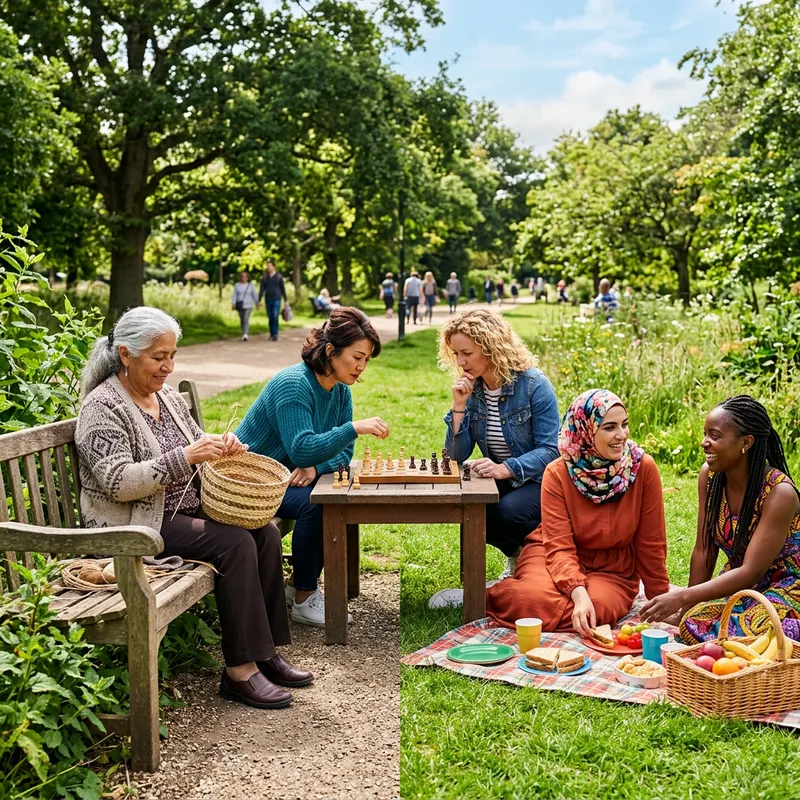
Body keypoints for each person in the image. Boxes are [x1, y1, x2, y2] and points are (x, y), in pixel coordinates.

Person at [75, 307, 312, 710]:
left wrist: (220, 444)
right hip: (138, 524)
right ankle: (239, 672)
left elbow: (194, 439)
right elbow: (118, 483)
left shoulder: (164, 396)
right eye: (158, 357)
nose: (168, 366)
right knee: (235, 543)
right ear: (125, 354)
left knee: (266, 532)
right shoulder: (102, 407)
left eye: (172, 355)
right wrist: (185, 457)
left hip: (186, 511)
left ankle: (266, 651)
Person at [236, 308, 390, 627]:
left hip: (282, 479)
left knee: (336, 497)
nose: (361, 367)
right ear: (331, 351)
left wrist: (316, 465)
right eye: (357, 357)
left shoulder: (340, 390)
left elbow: (343, 453)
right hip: (248, 483)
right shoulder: (294, 385)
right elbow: (301, 447)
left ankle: (295, 587)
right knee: (317, 504)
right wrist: (353, 428)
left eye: (367, 360)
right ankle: (305, 597)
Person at [487, 389, 670, 634]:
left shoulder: (643, 469)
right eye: (609, 427)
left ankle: (551, 610)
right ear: (585, 430)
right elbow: (558, 544)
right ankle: (493, 593)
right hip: (552, 556)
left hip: (612, 568)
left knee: (599, 608)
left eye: (624, 425)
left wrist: (660, 599)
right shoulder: (558, 472)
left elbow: (651, 542)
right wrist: (578, 593)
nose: (621, 435)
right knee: (530, 599)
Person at [642, 396, 800, 643]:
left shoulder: (780, 494)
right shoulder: (711, 478)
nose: (705, 443)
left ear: (746, 443)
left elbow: (750, 571)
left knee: (750, 633)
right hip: (742, 588)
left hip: (789, 588)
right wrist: (687, 610)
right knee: (694, 625)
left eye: (714, 436)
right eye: (705, 434)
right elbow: (703, 551)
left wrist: (682, 595)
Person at [430, 309, 560, 608]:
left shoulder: (533, 385)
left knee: (505, 512)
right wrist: (459, 407)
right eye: (455, 353)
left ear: (490, 348)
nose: (460, 362)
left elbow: (551, 451)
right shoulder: (472, 389)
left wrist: (505, 468)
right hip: (503, 477)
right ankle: (497, 574)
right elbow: (455, 455)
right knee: (469, 506)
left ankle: (530, 565)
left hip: (542, 480)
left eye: (467, 353)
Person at [258, 261, 288, 342]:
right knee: (270, 317)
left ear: (274, 267)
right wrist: (259, 300)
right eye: (267, 266)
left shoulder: (278, 276)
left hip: (277, 299)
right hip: (268, 299)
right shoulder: (265, 277)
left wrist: (285, 300)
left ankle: (275, 334)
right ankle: (271, 333)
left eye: (270, 266)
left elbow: (283, 288)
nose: (268, 267)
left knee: (275, 316)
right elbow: (261, 289)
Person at [232, 271, 259, 341]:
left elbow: (254, 295)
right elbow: (234, 295)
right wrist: (233, 303)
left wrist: (257, 302)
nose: (244, 278)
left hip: (248, 305)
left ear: (247, 278)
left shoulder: (250, 286)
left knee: (245, 319)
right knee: (242, 319)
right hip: (240, 305)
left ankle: (245, 334)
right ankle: (244, 332)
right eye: (242, 276)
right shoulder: (237, 285)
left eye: (245, 276)